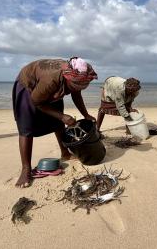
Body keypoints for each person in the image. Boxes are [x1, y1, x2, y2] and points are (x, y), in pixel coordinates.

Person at [12, 57, 97, 188]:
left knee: (57, 122)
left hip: (51, 87)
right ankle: (26, 169)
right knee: (26, 127)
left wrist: (85, 114)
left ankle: (65, 153)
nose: (78, 88)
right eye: (76, 86)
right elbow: (36, 102)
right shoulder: (51, 80)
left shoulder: (79, 72)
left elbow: (76, 94)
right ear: (68, 79)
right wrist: (62, 116)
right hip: (29, 85)